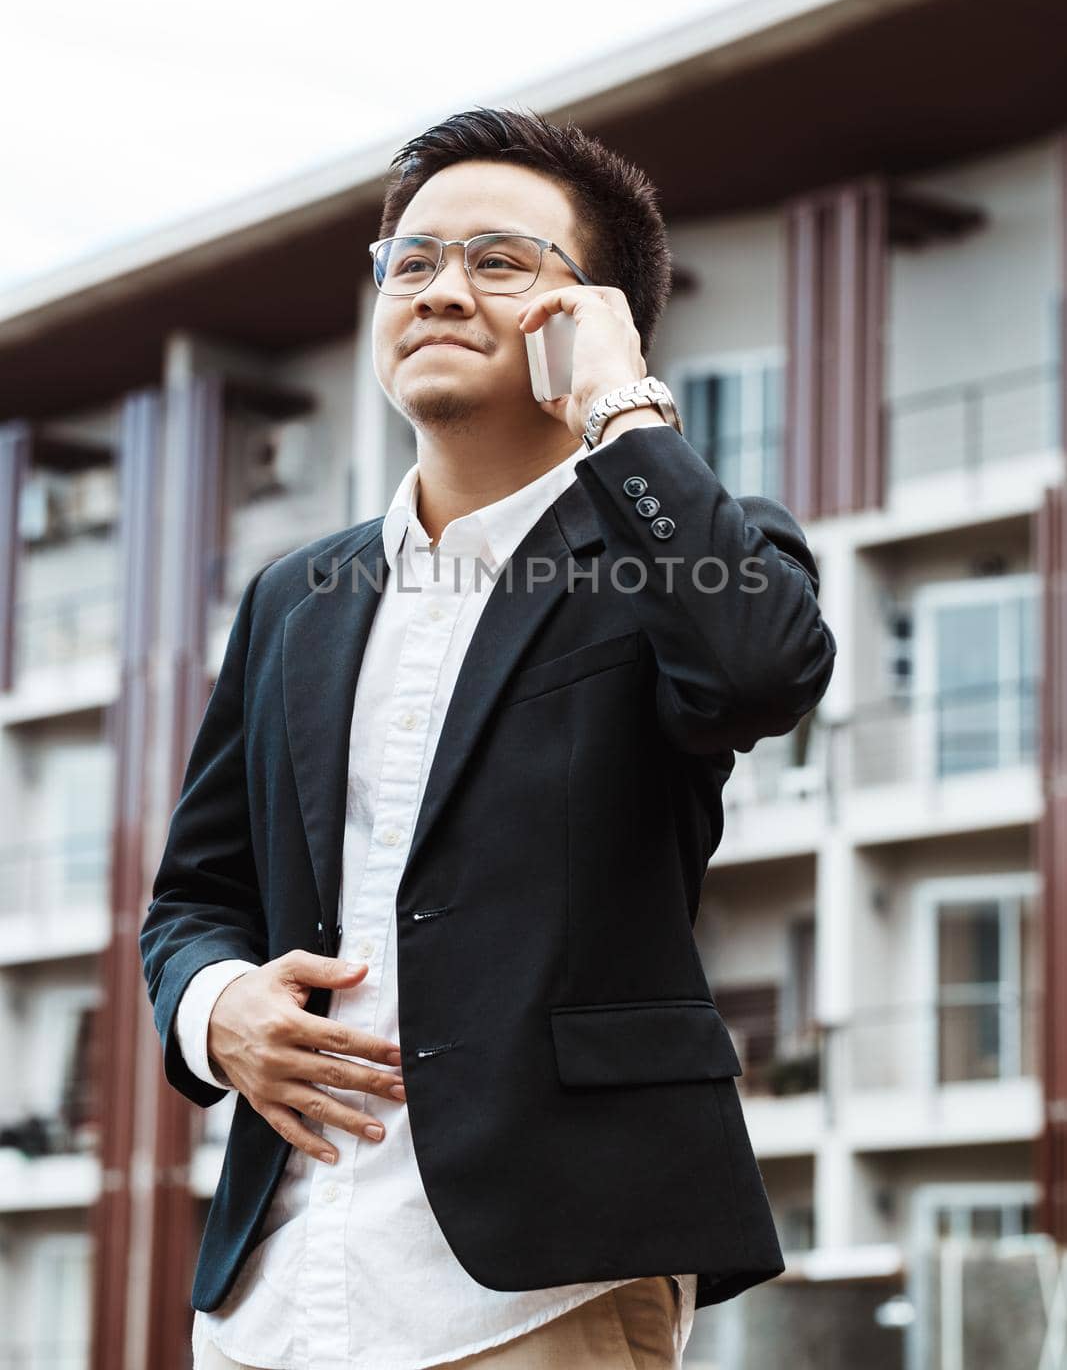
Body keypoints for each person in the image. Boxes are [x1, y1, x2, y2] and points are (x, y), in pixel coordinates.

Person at [141, 106, 837, 1370]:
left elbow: (757, 672)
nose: (440, 290)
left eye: (499, 261)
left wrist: (621, 407)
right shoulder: (296, 598)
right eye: (409, 262)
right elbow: (194, 894)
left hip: (538, 1289)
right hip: (274, 1291)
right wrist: (214, 1004)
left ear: (596, 313)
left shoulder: (691, 547)